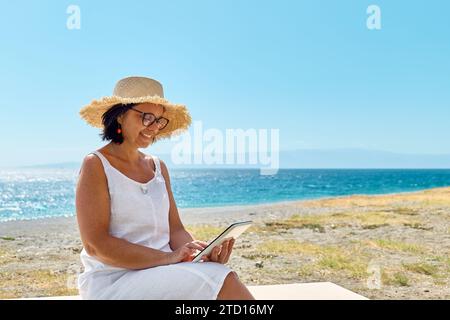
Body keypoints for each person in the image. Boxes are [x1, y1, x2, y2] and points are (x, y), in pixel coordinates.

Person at [76, 76, 255, 300]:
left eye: (159, 120)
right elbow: (96, 245)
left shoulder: (157, 166)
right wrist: (168, 258)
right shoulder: (96, 164)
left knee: (216, 273)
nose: (153, 127)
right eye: (146, 117)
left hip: (163, 272)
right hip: (115, 280)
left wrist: (198, 253)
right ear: (120, 115)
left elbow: (175, 230)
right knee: (221, 279)